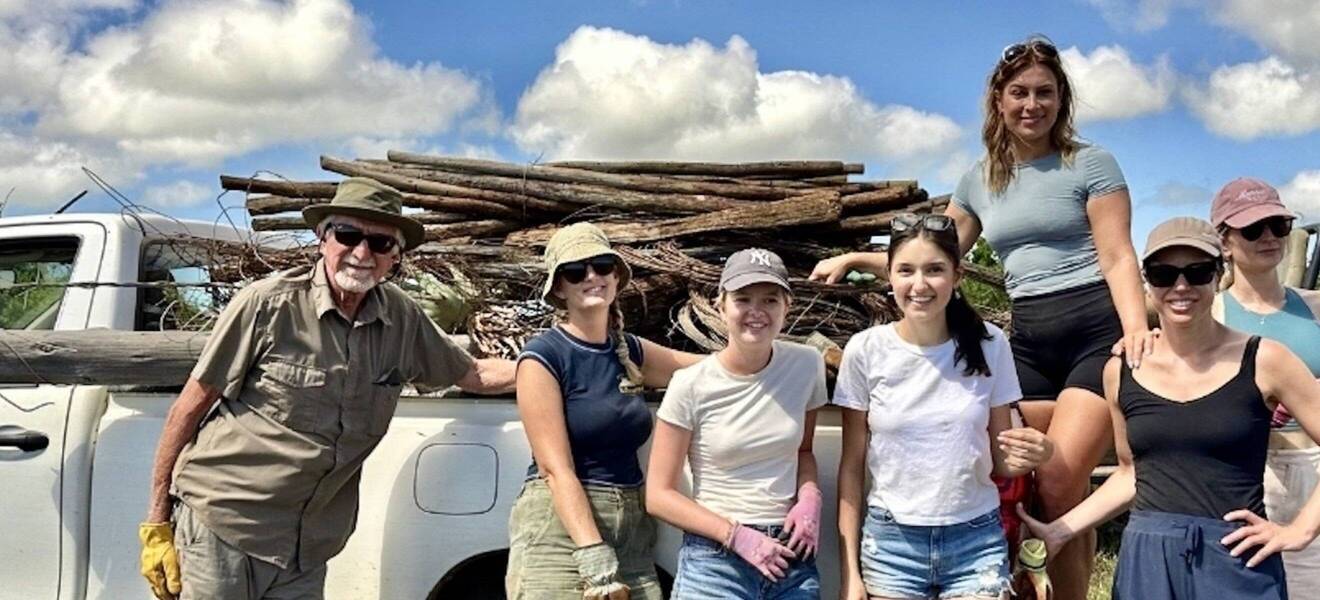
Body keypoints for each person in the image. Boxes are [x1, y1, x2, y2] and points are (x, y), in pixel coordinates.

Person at [811, 36, 1153, 598]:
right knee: (1010, 472)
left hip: (1094, 329)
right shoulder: (981, 178)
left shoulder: (1090, 163)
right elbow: (936, 255)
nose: (1031, 105)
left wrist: (1136, 330)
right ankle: (1011, 578)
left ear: (1062, 100)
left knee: (1062, 477)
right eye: (1019, 92)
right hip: (1031, 336)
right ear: (999, 99)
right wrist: (854, 258)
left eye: (1045, 93)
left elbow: (1117, 254)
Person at [137, 178, 516, 600]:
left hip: (307, 547)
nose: (361, 253)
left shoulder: (402, 318)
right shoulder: (266, 304)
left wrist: (552, 368)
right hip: (225, 526)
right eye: (348, 235)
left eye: (380, 243)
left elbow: (472, 374)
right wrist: (157, 522)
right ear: (322, 238)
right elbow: (188, 408)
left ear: (396, 256)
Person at [1019, 216, 1320, 600]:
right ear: (1147, 281)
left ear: (1218, 274)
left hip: (1235, 557)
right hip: (1147, 558)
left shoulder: (1264, 358)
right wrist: (1060, 530)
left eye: (1196, 272)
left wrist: (1299, 530)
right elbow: (1132, 473)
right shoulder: (1121, 371)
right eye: (1164, 274)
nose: (1181, 286)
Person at [833, 213, 1054, 600]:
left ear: (957, 277)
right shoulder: (865, 350)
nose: (919, 285)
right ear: (889, 277)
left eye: (934, 270)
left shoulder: (991, 344)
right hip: (890, 546)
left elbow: (1002, 462)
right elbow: (851, 468)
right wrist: (850, 572)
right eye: (906, 270)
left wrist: (1041, 452)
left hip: (977, 543)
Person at [505, 222, 702, 599]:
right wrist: (592, 554)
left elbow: (709, 369)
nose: (592, 276)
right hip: (562, 532)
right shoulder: (543, 357)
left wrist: (788, 356)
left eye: (602, 266)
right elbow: (554, 469)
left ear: (616, 276)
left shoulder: (630, 351)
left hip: (631, 528)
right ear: (559, 288)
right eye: (576, 271)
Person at [645, 248, 828, 599]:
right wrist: (735, 536)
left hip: (790, 554)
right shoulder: (690, 384)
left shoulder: (807, 365)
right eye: (743, 299)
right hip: (716, 559)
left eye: (770, 300)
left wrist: (809, 496)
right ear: (721, 305)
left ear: (787, 307)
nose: (756, 312)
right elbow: (658, 495)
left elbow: (803, 450)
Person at [1209, 177, 1320, 591]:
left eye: (1279, 225)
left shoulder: (1315, 308)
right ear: (1224, 242)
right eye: (1253, 229)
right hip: (1246, 473)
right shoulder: (1212, 316)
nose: (1269, 237)